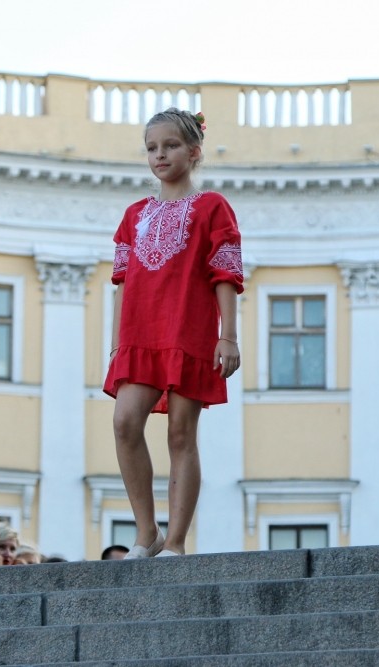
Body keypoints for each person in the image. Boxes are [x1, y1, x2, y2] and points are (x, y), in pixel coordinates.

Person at [103, 108, 244, 559]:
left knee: (181, 434)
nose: (159, 155)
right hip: (140, 334)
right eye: (151, 148)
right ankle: (147, 533)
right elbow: (121, 285)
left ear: (194, 151)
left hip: (190, 331)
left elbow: (225, 274)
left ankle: (177, 542)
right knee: (125, 422)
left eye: (170, 146)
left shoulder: (212, 207)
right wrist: (116, 342)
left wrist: (229, 336)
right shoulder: (134, 215)